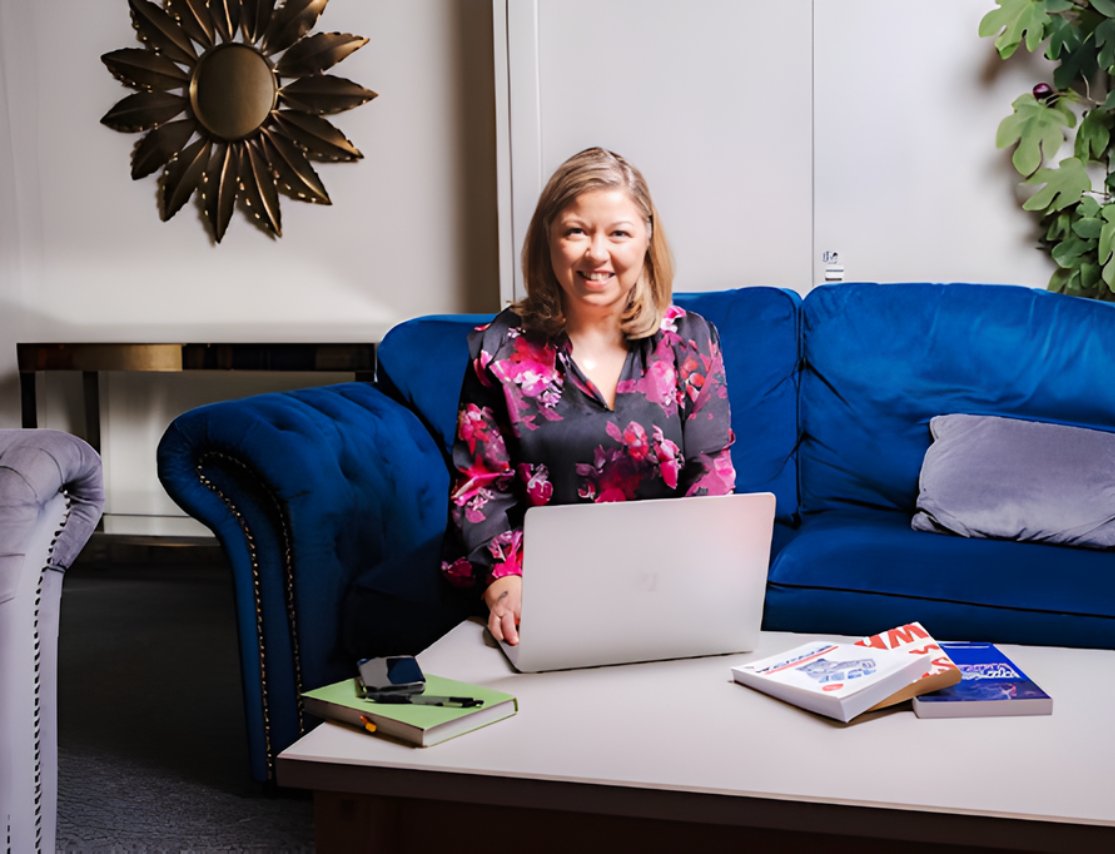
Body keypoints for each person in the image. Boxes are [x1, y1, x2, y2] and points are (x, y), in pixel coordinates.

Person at [440, 146, 736, 647]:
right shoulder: (499, 350)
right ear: (547, 240)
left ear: (646, 239)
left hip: (665, 578)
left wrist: (691, 575)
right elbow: (481, 488)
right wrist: (505, 586)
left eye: (618, 232)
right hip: (545, 587)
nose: (597, 253)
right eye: (576, 231)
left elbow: (711, 469)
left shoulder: (691, 339)